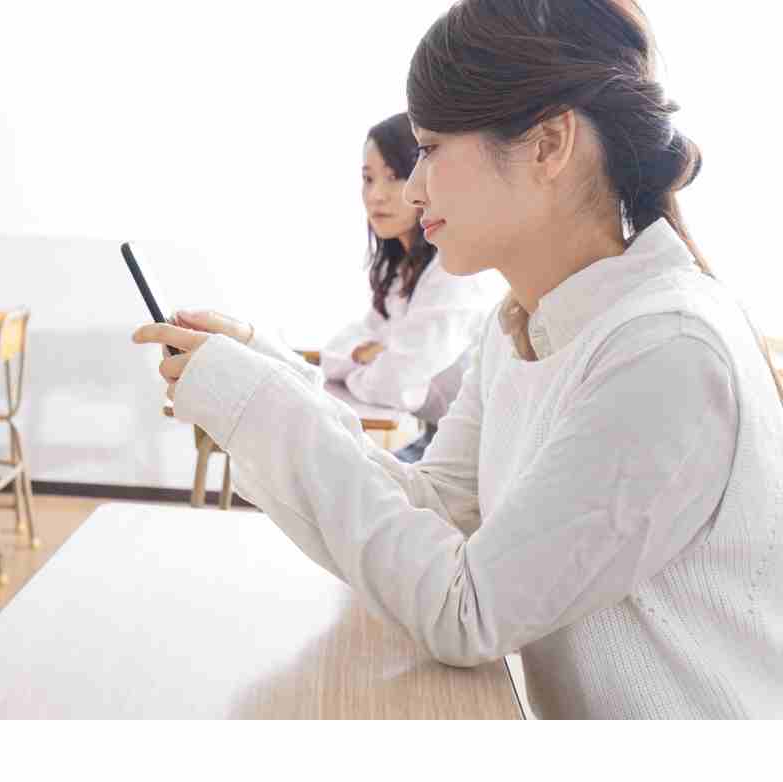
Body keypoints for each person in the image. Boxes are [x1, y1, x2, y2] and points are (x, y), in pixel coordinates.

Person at [134, 0, 783, 718]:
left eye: (432, 148)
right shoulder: (522, 326)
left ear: (548, 145)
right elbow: (437, 509)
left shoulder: (665, 351)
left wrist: (261, 408)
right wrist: (267, 377)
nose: (413, 190)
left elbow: (466, 611)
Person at [321, 113, 503, 461]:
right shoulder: (402, 273)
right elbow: (334, 353)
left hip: (478, 455)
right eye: (368, 178)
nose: (376, 195)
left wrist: (371, 361)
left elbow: (395, 384)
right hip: (436, 438)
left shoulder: (454, 273)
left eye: (394, 177)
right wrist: (369, 356)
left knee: (333, 473)